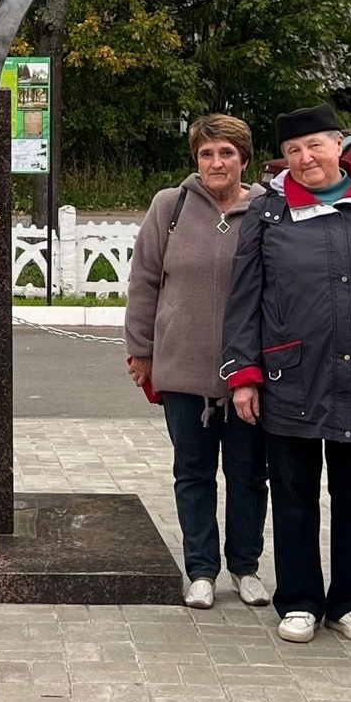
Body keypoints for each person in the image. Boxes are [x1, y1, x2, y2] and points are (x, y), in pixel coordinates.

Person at [219, 104, 351, 646]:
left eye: (317, 146)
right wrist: (245, 373)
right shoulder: (269, 213)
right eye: (296, 151)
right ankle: (299, 600)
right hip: (290, 376)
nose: (307, 159)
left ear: (340, 146)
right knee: (294, 493)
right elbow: (244, 298)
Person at [125, 113, 267, 611]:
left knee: (249, 475)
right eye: (206, 153)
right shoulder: (171, 206)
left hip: (249, 374)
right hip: (183, 368)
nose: (216, 162)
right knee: (193, 472)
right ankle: (201, 570)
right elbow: (144, 281)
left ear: (243, 160)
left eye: (226, 153)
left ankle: (245, 567)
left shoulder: (266, 209)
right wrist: (141, 348)